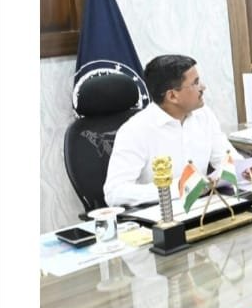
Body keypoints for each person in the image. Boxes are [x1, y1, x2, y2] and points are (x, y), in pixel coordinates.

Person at [104, 55, 242, 207]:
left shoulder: (204, 115)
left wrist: (245, 169)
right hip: (161, 214)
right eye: (195, 83)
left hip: (204, 208)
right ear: (172, 96)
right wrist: (179, 187)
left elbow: (227, 159)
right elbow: (115, 193)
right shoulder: (134, 131)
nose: (203, 87)